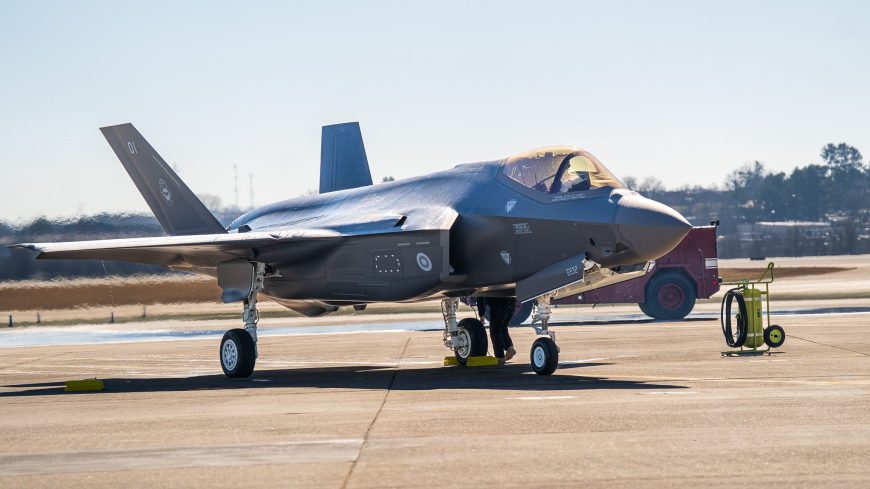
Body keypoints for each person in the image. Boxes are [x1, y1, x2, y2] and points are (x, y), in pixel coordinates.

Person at [478, 297, 517, 364]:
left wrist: (481, 314)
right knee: (503, 328)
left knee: (495, 332)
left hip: (498, 306)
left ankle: (500, 357)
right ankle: (509, 347)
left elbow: (480, 297)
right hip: (511, 304)